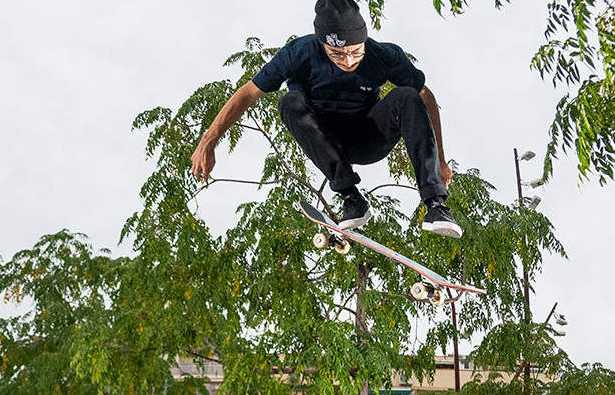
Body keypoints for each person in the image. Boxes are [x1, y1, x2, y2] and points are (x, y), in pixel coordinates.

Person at [191, 0, 461, 238]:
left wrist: (440, 159)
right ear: (322, 45)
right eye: (337, 54)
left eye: (356, 52)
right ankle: (351, 197)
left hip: (368, 138)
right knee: (288, 102)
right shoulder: (298, 53)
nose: (348, 61)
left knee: (408, 95)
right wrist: (208, 141)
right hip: (326, 140)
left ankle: (436, 204)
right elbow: (248, 93)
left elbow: (426, 97)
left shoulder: (385, 55)